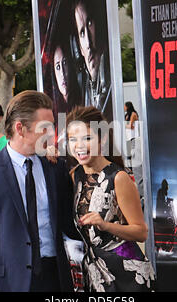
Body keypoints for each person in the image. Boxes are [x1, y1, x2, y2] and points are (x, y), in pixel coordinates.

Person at [0, 90, 78, 292]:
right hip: (9, 283)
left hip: (55, 279)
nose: (52, 133)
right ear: (20, 128)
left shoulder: (56, 167)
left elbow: (70, 223)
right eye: (45, 127)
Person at [66, 106, 155, 292]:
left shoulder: (118, 178)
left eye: (87, 138)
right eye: (73, 139)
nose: (79, 145)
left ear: (103, 138)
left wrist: (106, 225)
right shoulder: (75, 176)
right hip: (95, 275)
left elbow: (141, 232)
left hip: (127, 276)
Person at [72, 0, 112, 121]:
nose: (88, 42)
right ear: (79, 47)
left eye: (90, 24)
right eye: (82, 32)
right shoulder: (83, 86)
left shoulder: (112, 79)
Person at [124, 101, 144, 200]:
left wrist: (123, 125)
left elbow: (131, 126)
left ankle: (132, 169)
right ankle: (131, 169)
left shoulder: (133, 114)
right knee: (130, 154)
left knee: (134, 155)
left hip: (134, 136)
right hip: (129, 137)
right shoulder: (127, 114)